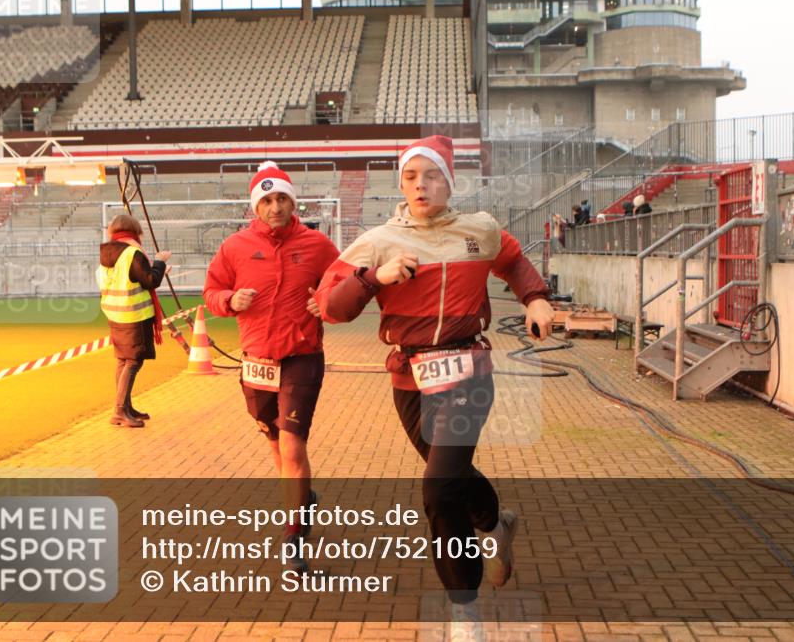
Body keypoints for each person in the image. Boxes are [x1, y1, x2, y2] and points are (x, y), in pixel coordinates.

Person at [315, 135, 554, 637]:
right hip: (410, 376)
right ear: (400, 184)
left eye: (431, 176)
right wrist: (374, 278)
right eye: (409, 177)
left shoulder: (479, 230)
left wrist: (534, 299)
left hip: (469, 370)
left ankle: (464, 610)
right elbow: (331, 307)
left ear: (449, 180)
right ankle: (495, 524)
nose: (420, 186)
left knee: (438, 484)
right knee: (451, 475)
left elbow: (512, 261)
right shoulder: (378, 240)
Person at [203, 161, 339, 569]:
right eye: (267, 200)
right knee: (274, 444)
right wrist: (229, 301)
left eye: (281, 198)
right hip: (256, 360)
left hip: (301, 355)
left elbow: (342, 283)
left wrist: (327, 303)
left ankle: (293, 533)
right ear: (255, 207)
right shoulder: (235, 247)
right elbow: (211, 290)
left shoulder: (317, 244)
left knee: (292, 442)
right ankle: (303, 497)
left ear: (292, 202)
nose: (275, 207)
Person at [96, 214, 171, 428]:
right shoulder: (132, 253)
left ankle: (125, 406)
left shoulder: (106, 254)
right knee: (133, 361)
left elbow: (129, 279)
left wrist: (155, 269)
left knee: (123, 360)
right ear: (135, 232)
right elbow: (150, 280)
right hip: (133, 316)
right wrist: (160, 262)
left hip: (115, 315)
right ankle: (119, 411)